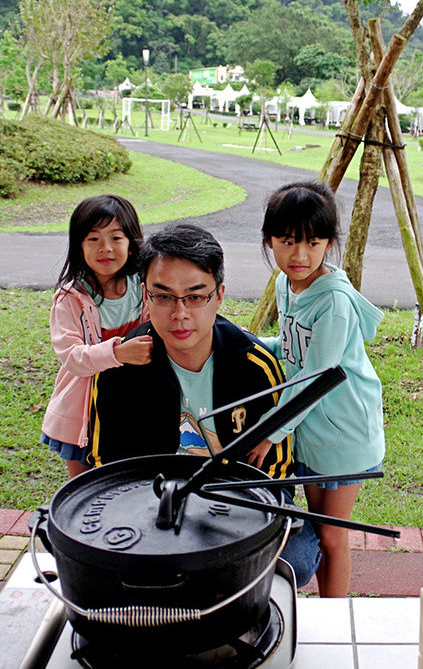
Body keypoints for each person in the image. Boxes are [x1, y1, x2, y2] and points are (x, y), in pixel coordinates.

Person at [97, 223, 321, 585]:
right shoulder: (119, 368)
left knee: (293, 559)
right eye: (164, 296)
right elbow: (104, 466)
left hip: (237, 504)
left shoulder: (255, 366)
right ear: (145, 295)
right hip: (153, 507)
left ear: (219, 296)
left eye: (196, 296)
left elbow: (277, 473)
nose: (180, 313)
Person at [255, 180, 385, 598]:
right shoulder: (286, 284)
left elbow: (317, 376)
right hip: (312, 432)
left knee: (332, 538)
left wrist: (270, 431)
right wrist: (249, 341)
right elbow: (292, 349)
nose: (299, 255)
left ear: (329, 243)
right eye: (287, 241)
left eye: (313, 242)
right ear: (269, 240)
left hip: (344, 434)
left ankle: (334, 621)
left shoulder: (333, 302)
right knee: (322, 532)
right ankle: (327, 609)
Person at [40, 195, 153, 478]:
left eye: (116, 237)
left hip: (133, 404)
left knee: (128, 480)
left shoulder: (144, 288)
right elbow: (72, 358)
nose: (106, 248)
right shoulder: (69, 298)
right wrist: (118, 353)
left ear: (132, 242)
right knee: (83, 485)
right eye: (93, 239)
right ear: (79, 247)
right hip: (83, 411)